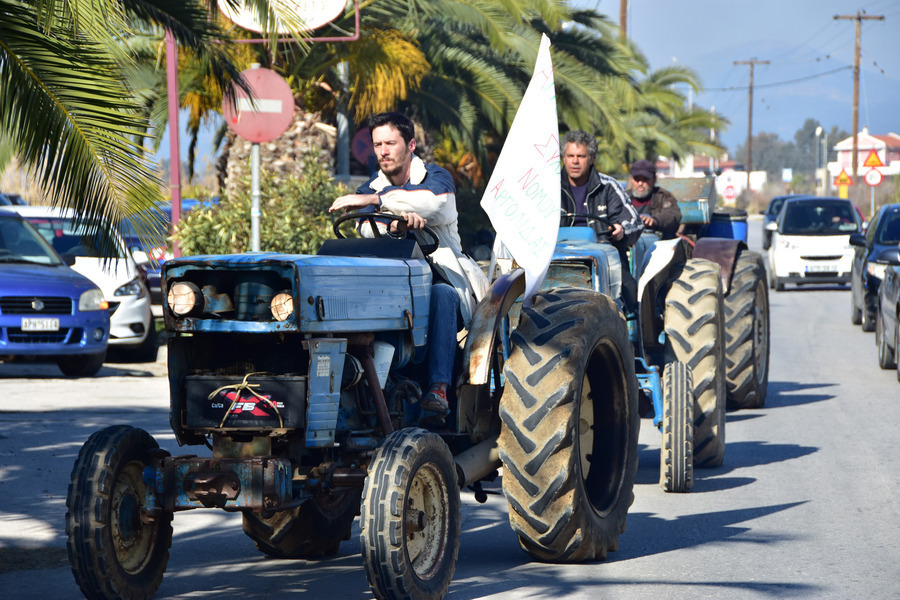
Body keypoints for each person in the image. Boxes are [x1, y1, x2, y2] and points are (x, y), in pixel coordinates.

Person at [328, 112, 487, 424]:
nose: (383, 151)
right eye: (377, 145)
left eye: (390, 143)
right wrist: (395, 229)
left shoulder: (436, 179)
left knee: (441, 295)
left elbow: (434, 204)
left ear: (411, 144)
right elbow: (364, 228)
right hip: (390, 285)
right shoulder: (367, 187)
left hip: (444, 278)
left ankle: (438, 389)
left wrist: (378, 201)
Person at [559, 130, 643, 313]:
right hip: (557, 258)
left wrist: (622, 230)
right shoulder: (549, 188)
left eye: (581, 156)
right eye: (570, 156)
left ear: (591, 158)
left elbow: (634, 222)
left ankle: (631, 330)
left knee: (628, 288)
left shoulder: (608, 187)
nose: (575, 161)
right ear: (563, 158)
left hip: (603, 256)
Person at [627, 159, 682, 240]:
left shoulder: (663, 197)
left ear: (654, 179)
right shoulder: (623, 197)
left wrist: (654, 220)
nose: (640, 183)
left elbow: (672, 215)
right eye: (637, 179)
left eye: (645, 179)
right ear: (631, 180)